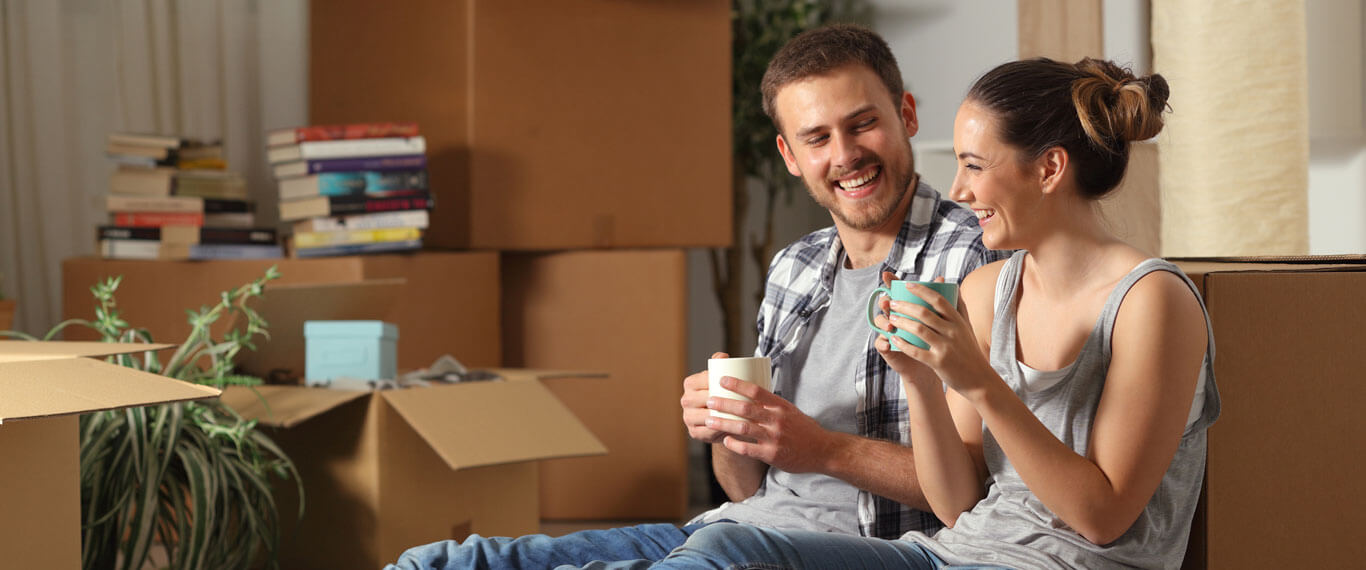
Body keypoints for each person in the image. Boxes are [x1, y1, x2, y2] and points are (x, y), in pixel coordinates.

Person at [386, 24, 1002, 570]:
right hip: (734, 531)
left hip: (868, 547)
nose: (844, 156)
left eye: (862, 123)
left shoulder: (975, 256)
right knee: (443, 561)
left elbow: (985, 485)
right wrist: (725, 429)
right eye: (816, 138)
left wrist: (823, 450)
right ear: (789, 155)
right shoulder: (796, 267)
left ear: (907, 116)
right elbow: (744, 488)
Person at [649, 57, 1222, 569]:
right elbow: (958, 505)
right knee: (726, 547)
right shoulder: (989, 286)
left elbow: (1102, 519)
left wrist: (979, 381)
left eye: (974, 165)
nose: (960, 189)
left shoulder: (1151, 300)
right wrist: (921, 380)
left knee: (734, 555)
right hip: (949, 552)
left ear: (1048, 170)